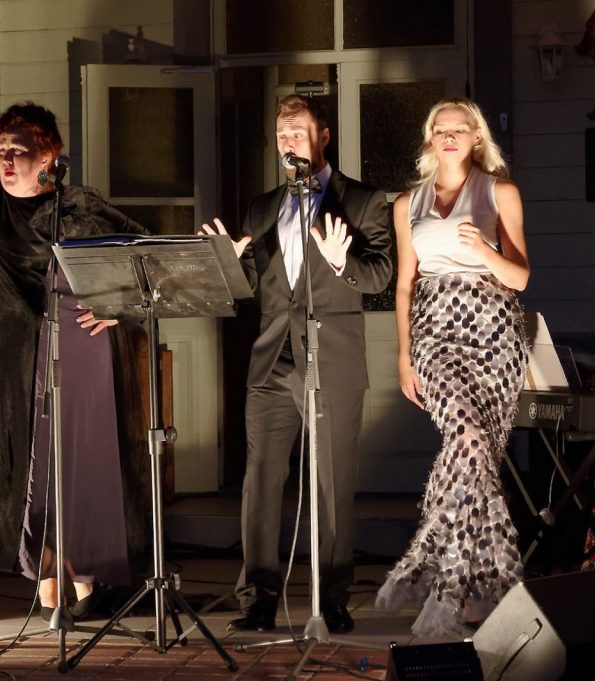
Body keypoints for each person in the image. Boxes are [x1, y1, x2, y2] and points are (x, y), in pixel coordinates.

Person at [0, 57, 149, 620]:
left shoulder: (78, 205)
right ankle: (47, 586)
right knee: (22, 476)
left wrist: (117, 307)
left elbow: (144, 254)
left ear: (49, 157)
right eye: (1, 148)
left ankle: (89, 583)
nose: (6, 158)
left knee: (72, 470)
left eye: (19, 149)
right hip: (4, 362)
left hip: (74, 354)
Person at [202, 95, 393, 634]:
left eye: (298, 131)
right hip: (271, 358)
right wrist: (225, 264)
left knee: (331, 482)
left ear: (323, 136)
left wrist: (341, 260)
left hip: (330, 357)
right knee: (260, 478)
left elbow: (379, 275)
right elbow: (251, 286)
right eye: (281, 133)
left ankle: (331, 598)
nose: (288, 141)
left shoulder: (361, 200)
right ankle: (259, 598)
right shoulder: (263, 206)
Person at [374, 97, 530, 638]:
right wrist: (403, 354)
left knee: (477, 455)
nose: (448, 136)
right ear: (430, 138)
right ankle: (470, 585)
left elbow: (520, 277)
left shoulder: (500, 192)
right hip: (435, 334)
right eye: (439, 129)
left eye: (459, 129)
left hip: (494, 337)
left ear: (476, 137)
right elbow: (404, 285)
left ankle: (462, 594)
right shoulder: (407, 203)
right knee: (467, 439)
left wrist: (485, 250)